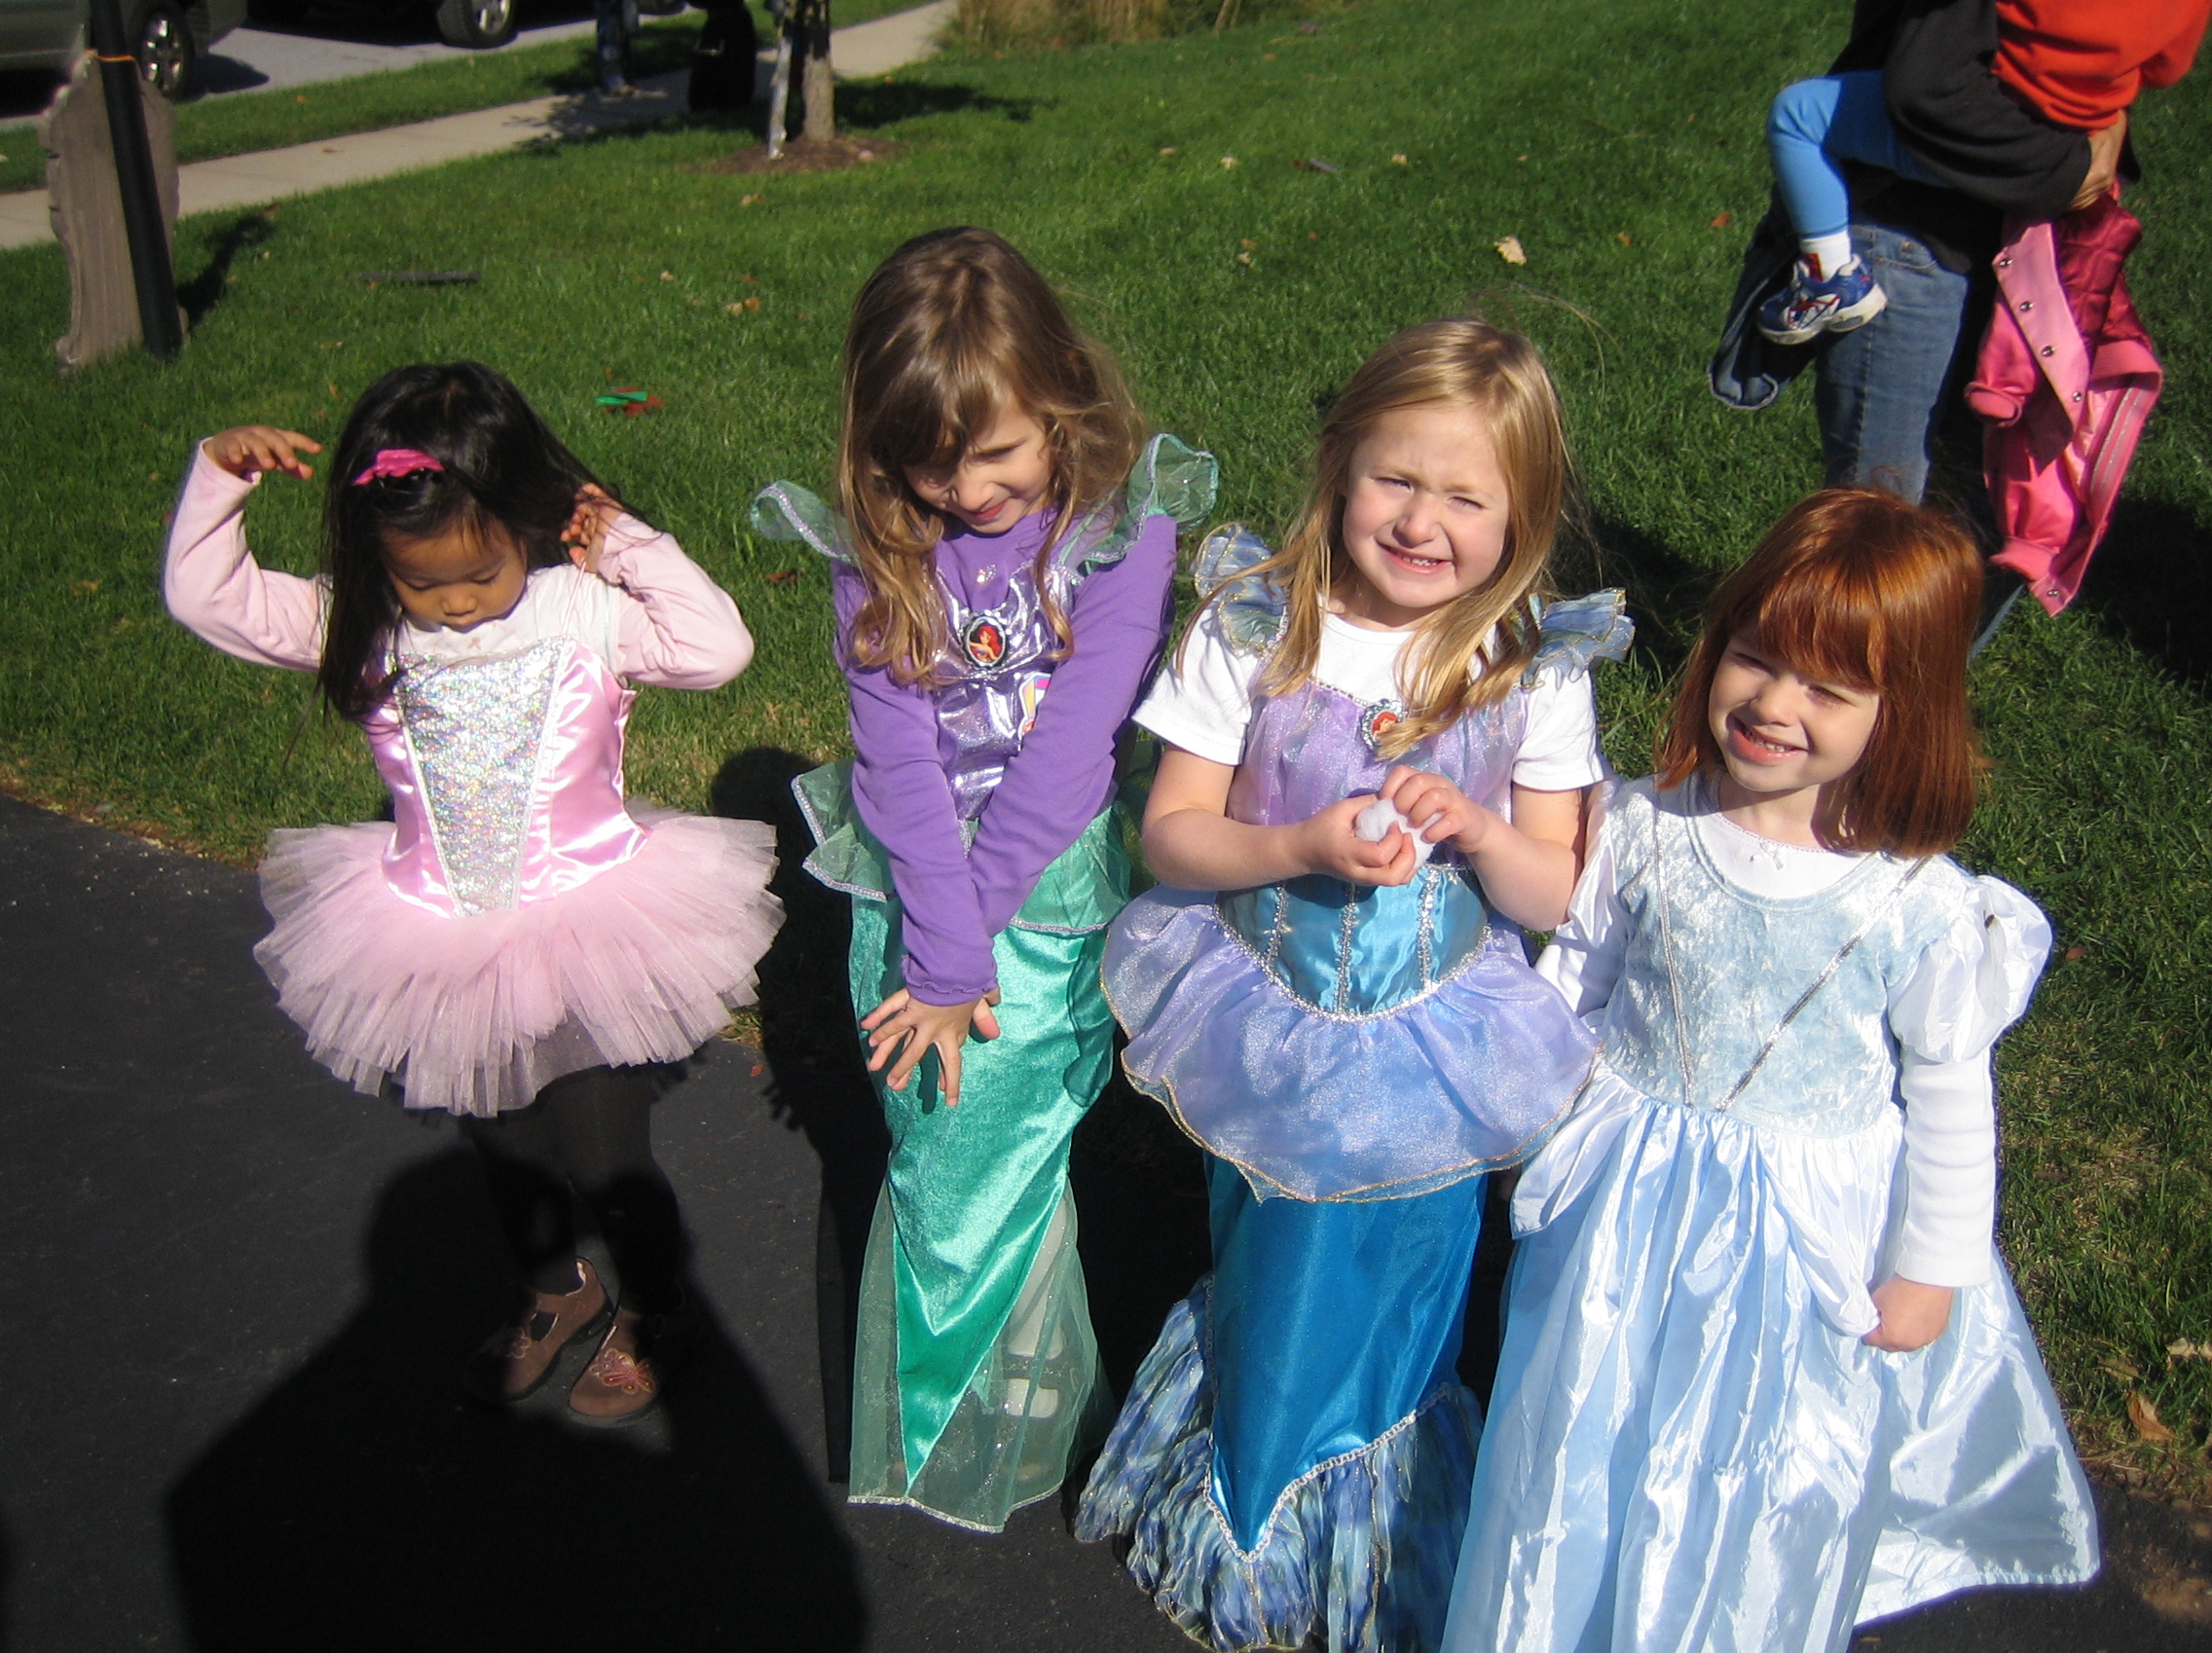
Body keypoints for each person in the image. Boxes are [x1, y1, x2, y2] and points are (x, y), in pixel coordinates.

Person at [1440, 489, 2098, 1653]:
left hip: (1801, 1243)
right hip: (1624, 1206)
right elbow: (1581, 974)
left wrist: (1931, 1266)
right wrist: (1531, 1111)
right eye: (1755, 658)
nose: (1773, 705)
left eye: (1827, 691)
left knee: (1761, 1462)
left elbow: (1950, 1099)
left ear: (1903, 713)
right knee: (1582, 1417)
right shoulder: (1647, 827)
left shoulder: (1918, 905)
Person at [1075, 317, 1629, 1653]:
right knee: (1278, 1269)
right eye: (1397, 479)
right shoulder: (1258, 627)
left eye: (1466, 498)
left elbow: (1558, 892)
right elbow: (1172, 833)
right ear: (1337, 464)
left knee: (1408, 1285)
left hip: (1436, 1050)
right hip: (1271, 1031)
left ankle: (1376, 1520)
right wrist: (1300, 847)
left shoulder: (1525, 667)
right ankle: (1258, 1508)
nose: (1422, 522)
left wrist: (1480, 830)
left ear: (1523, 513)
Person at [163, 362, 781, 1424]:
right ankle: (555, 1287)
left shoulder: (579, 611)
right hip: (441, 935)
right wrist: (217, 478)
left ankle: (655, 1304)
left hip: (588, 922)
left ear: (524, 524)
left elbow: (720, 648)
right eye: (422, 583)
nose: (453, 603)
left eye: (479, 575)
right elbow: (204, 599)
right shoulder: (361, 627)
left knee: (604, 1154)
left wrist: (619, 537)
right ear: (377, 558)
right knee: (504, 1144)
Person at [752, 226, 1217, 1531]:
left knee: (999, 1142)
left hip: (1047, 887)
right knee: (941, 1137)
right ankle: (989, 1395)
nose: (969, 491)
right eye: (931, 466)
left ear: (1061, 392)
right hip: (915, 889)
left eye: (1001, 452)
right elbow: (895, 755)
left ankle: (977, 1409)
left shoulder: (1121, 536)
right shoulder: (880, 548)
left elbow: (1070, 757)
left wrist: (967, 953)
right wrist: (939, 946)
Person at [1756, 0, 2204, 345]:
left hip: (1985, 114)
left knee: (1798, 114)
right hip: (2081, 123)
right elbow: (2167, 68)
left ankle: (1830, 279)